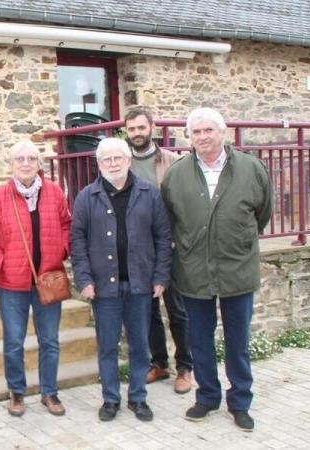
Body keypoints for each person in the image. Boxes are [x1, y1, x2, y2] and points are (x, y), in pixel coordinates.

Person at [161, 108, 272, 432]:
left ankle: (240, 402)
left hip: (237, 269)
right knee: (199, 340)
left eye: (209, 130)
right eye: (196, 132)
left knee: (238, 341)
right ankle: (207, 397)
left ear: (222, 132)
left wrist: (236, 241)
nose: (203, 137)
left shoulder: (251, 169)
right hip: (193, 271)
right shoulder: (177, 174)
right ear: (190, 137)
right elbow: (170, 221)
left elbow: (262, 213)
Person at [71, 137, 172, 423]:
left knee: (140, 345)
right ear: (99, 163)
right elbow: (77, 241)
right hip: (104, 288)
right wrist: (84, 279)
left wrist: (161, 275)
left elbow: (164, 237)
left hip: (141, 284)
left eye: (118, 158)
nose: (113, 164)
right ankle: (110, 399)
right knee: (107, 346)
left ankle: (138, 398)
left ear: (128, 159)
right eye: (106, 159)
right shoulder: (86, 197)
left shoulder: (149, 193)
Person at [0, 140, 71, 417]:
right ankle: (17, 392)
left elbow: (67, 225)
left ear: (39, 164)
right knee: (14, 341)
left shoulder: (54, 193)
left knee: (50, 340)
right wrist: (1, 263)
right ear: (11, 165)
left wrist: (62, 249)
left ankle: (49, 392)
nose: (26, 163)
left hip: (49, 279)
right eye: (20, 159)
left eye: (31, 158)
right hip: (10, 284)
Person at [124, 106, 193, 394]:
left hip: (170, 246)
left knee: (176, 309)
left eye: (141, 127)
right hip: (138, 251)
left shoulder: (173, 162)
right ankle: (159, 363)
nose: (137, 134)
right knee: (147, 311)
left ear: (151, 127)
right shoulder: (122, 163)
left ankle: (185, 367)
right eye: (131, 129)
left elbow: (185, 205)